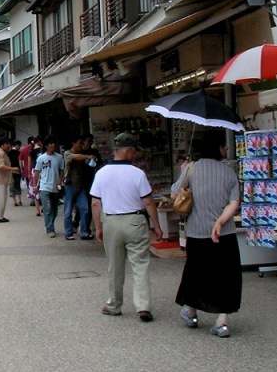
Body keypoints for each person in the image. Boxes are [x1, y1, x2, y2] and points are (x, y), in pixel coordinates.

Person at [172, 131, 241, 337]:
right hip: (224, 233)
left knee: (195, 272)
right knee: (226, 276)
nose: (225, 150)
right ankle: (222, 321)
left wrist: (184, 173)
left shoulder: (191, 169)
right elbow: (234, 203)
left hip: (196, 232)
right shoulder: (229, 173)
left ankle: (191, 312)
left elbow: (175, 194)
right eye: (224, 146)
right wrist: (220, 221)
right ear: (219, 148)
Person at [89, 131, 162, 322]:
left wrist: (98, 227)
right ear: (128, 151)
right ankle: (143, 306)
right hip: (135, 221)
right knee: (140, 264)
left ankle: (114, 305)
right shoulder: (138, 174)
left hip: (111, 221)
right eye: (134, 151)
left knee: (115, 266)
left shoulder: (102, 173)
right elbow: (148, 202)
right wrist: (157, 226)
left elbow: (95, 203)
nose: (135, 155)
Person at [63, 136, 97, 240]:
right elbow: (75, 157)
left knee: (85, 209)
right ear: (73, 143)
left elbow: (87, 163)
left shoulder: (82, 154)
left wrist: (91, 160)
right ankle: (68, 232)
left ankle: (84, 232)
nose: (81, 146)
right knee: (68, 211)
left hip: (80, 186)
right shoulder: (67, 153)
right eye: (79, 143)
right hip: (69, 186)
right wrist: (88, 157)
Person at [33, 136, 64, 237]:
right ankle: (50, 229)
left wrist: (60, 180)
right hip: (44, 187)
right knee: (48, 209)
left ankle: (50, 224)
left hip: (55, 187)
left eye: (54, 143)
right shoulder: (41, 158)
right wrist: (35, 186)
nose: (53, 145)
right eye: (50, 143)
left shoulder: (59, 157)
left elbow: (62, 170)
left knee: (54, 210)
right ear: (46, 145)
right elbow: (37, 172)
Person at [0, 137, 18, 222]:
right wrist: (13, 169)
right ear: (2, 145)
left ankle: (0, 215)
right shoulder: (0, 153)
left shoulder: (1, 152)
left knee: (2, 199)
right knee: (0, 199)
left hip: (1, 180)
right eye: (7, 144)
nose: (8, 146)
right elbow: (1, 166)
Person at [8, 139, 23, 206]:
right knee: (18, 185)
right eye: (19, 146)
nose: (19, 147)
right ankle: (19, 200)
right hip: (17, 171)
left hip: (10, 171)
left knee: (12, 186)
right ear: (17, 145)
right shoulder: (19, 153)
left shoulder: (8, 153)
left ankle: (14, 201)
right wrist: (21, 170)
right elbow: (20, 162)